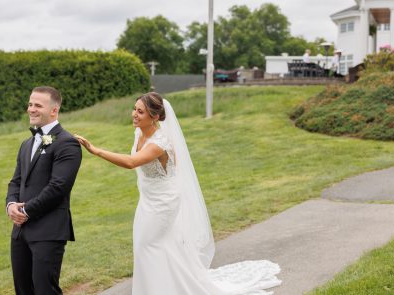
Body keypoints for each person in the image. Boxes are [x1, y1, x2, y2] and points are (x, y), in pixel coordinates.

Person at [75, 92, 281, 295]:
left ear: (155, 117)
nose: (134, 114)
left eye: (140, 112)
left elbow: (131, 163)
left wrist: (95, 150)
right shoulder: (139, 132)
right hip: (148, 198)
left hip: (163, 202)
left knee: (148, 245)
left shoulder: (160, 142)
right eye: (134, 109)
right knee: (151, 245)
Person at [6, 86, 82, 295]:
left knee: (45, 290)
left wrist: (26, 211)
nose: (31, 109)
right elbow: (16, 181)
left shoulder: (67, 143)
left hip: (49, 231)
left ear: (54, 110)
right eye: (30, 104)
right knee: (23, 290)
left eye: (38, 105)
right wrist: (11, 205)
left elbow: (58, 187)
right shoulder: (26, 144)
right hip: (20, 233)